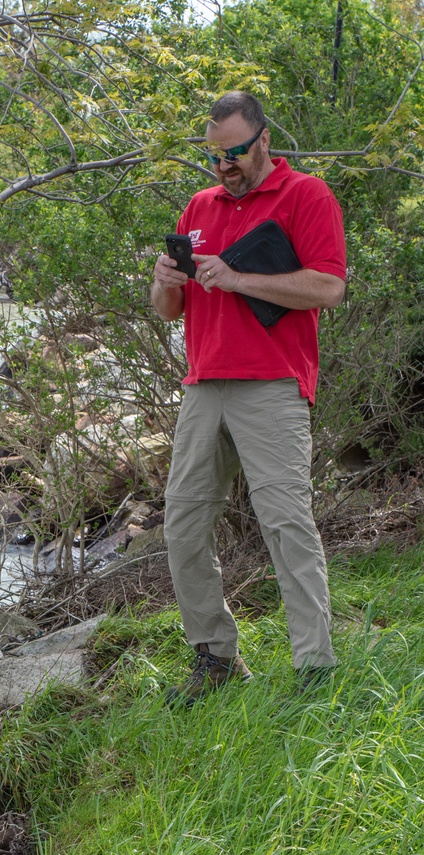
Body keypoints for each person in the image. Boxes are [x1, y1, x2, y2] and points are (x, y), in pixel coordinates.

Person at [151, 91, 346, 703]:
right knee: (181, 525)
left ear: (264, 138)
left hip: (273, 385)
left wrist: (237, 279)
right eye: (216, 154)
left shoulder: (305, 196)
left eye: (235, 151)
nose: (225, 165)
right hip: (203, 387)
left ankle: (315, 667)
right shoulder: (199, 205)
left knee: (286, 523)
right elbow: (168, 309)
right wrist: (162, 283)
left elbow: (328, 286)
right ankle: (215, 657)